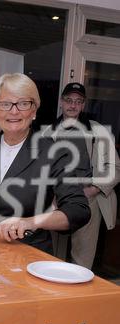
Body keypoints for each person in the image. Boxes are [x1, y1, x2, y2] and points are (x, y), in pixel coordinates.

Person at [0, 73, 91, 254]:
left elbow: (78, 210)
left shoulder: (54, 152)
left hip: (27, 252)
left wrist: (30, 222)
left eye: (24, 103)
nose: (14, 111)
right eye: (5, 104)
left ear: (33, 111)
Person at [47, 82, 120, 268]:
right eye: (69, 100)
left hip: (89, 199)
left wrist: (93, 189)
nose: (73, 105)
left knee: (83, 258)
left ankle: (78, 293)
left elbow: (115, 168)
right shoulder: (47, 133)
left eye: (78, 101)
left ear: (83, 105)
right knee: (54, 255)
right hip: (57, 200)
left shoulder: (99, 131)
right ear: (62, 102)